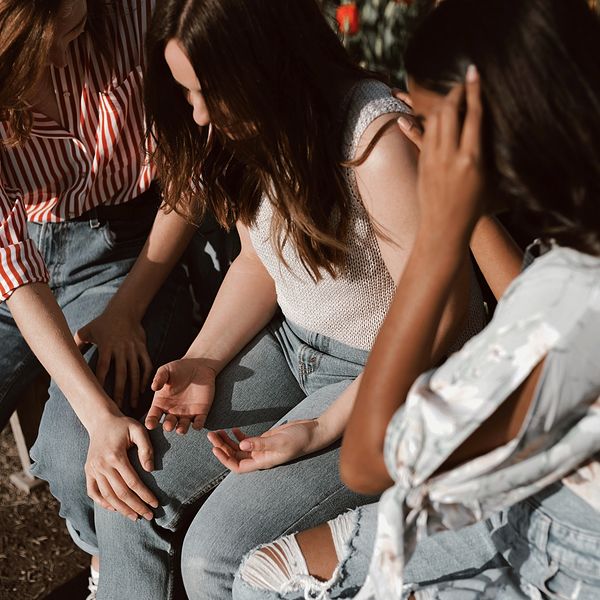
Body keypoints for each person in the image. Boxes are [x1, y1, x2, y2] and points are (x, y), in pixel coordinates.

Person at [81, 0, 487, 598]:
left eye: (206, 92)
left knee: (216, 555)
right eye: (187, 92)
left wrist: (323, 426)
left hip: (390, 374)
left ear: (262, 67)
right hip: (293, 348)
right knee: (130, 489)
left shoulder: (372, 141)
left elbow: (439, 318)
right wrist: (205, 359)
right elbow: (261, 262)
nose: (197, 115)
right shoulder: (252, 130)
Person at [231, 0, 600, 598]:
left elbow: (371, 460)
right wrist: (471, 210)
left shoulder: (572, 307)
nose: (412, 138)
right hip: (540, 488)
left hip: (556, 553)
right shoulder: (576, 254)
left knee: (258, 581)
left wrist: (439, 237)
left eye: (427, 123)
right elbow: (526, 297)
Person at [0, 0, 230, 595]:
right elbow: (12, 262)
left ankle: (109, 562)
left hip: (119, 249)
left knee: (76, 450)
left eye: (71, 28)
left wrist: (125, 310)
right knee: (90, 426)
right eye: (36, 47)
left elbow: (191, 168)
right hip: (16, 261)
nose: (60, 57)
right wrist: (97, 411)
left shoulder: (135, 13)